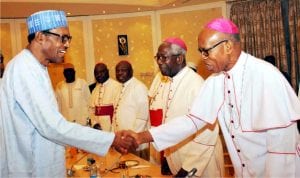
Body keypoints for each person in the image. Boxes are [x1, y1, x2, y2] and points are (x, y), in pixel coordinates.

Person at [126, 18, 300, 177]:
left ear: (228, 46)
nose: (203, 58)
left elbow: (281, 148)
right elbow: (191, 121)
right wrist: (143, 136)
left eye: (206, 51)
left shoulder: (265, 75)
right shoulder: (215, 81)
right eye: (201, 52)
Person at [0, 10, 136, 177]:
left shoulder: (36, 67)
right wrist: (111, 139)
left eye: (68, 39)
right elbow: (52, 127)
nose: (66, 44)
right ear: (41, 37)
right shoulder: (24, 69)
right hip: (32, 167)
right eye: (62, 38)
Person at [149, 37, 224, 177]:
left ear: (179, 59)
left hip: (201, 165)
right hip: (177, 157)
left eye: (164, 57)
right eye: (157, 57)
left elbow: (208, 132)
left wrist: (190, 167)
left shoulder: (196, 84)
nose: (159, 62)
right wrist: (166, 154)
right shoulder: (166, 83)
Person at [114, 60, 150, 160]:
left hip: (135, 145)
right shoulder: (119, 88)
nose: (120, 73)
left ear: (131, 71)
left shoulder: (139, 87)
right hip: (123, 143)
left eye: (123, 70)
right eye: (117, 71)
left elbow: (142, 117)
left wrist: (132, 139)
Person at [89, 62, 121, 131]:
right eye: (96, 73)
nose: (99, 75)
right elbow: (91, 110)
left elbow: (119, 111)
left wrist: (113, 129)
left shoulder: (117, 86)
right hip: (98, 129)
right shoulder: (95, 90)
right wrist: (94, 123)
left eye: (101, 72)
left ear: (107, 71)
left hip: (113, 128)